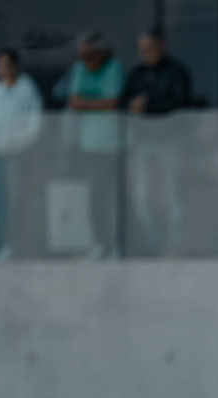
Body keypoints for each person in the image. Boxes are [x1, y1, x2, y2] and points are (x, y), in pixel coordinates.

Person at [123, 27, 194, 256]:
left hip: (170, 140)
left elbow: (180, 103)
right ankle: (154, 244)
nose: (146, 53)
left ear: (162, 47)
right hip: (142, 142)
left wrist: (148, 105)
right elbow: (124, 101)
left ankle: (174, 244)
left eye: (151, 48)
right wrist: (133, 107)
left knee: (173, 194)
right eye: (142, 50)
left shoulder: (175, 72)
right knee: (142, 196)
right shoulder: (137, 74)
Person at [57, 32, 126, 254]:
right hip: (90, 143)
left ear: (103, 52)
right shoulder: (80, 69)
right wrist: (98, 104)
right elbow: (74, 102)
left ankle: (121, 243)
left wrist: (88, 103)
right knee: (96, 195)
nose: (87, 61)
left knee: (118, 196)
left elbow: (113, 102)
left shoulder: (114, 68)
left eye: (90, 55)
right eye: (83, 56)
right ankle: (101, 243)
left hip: (117, 143)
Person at [0, 49, 43, 255]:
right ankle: (4, 244)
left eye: (6, 64)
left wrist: (19, 143)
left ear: (15, 65)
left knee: (16, 198)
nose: (2, 69)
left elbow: (35, 123)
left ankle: (19, 244)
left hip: (18, 153)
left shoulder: (27, 89)